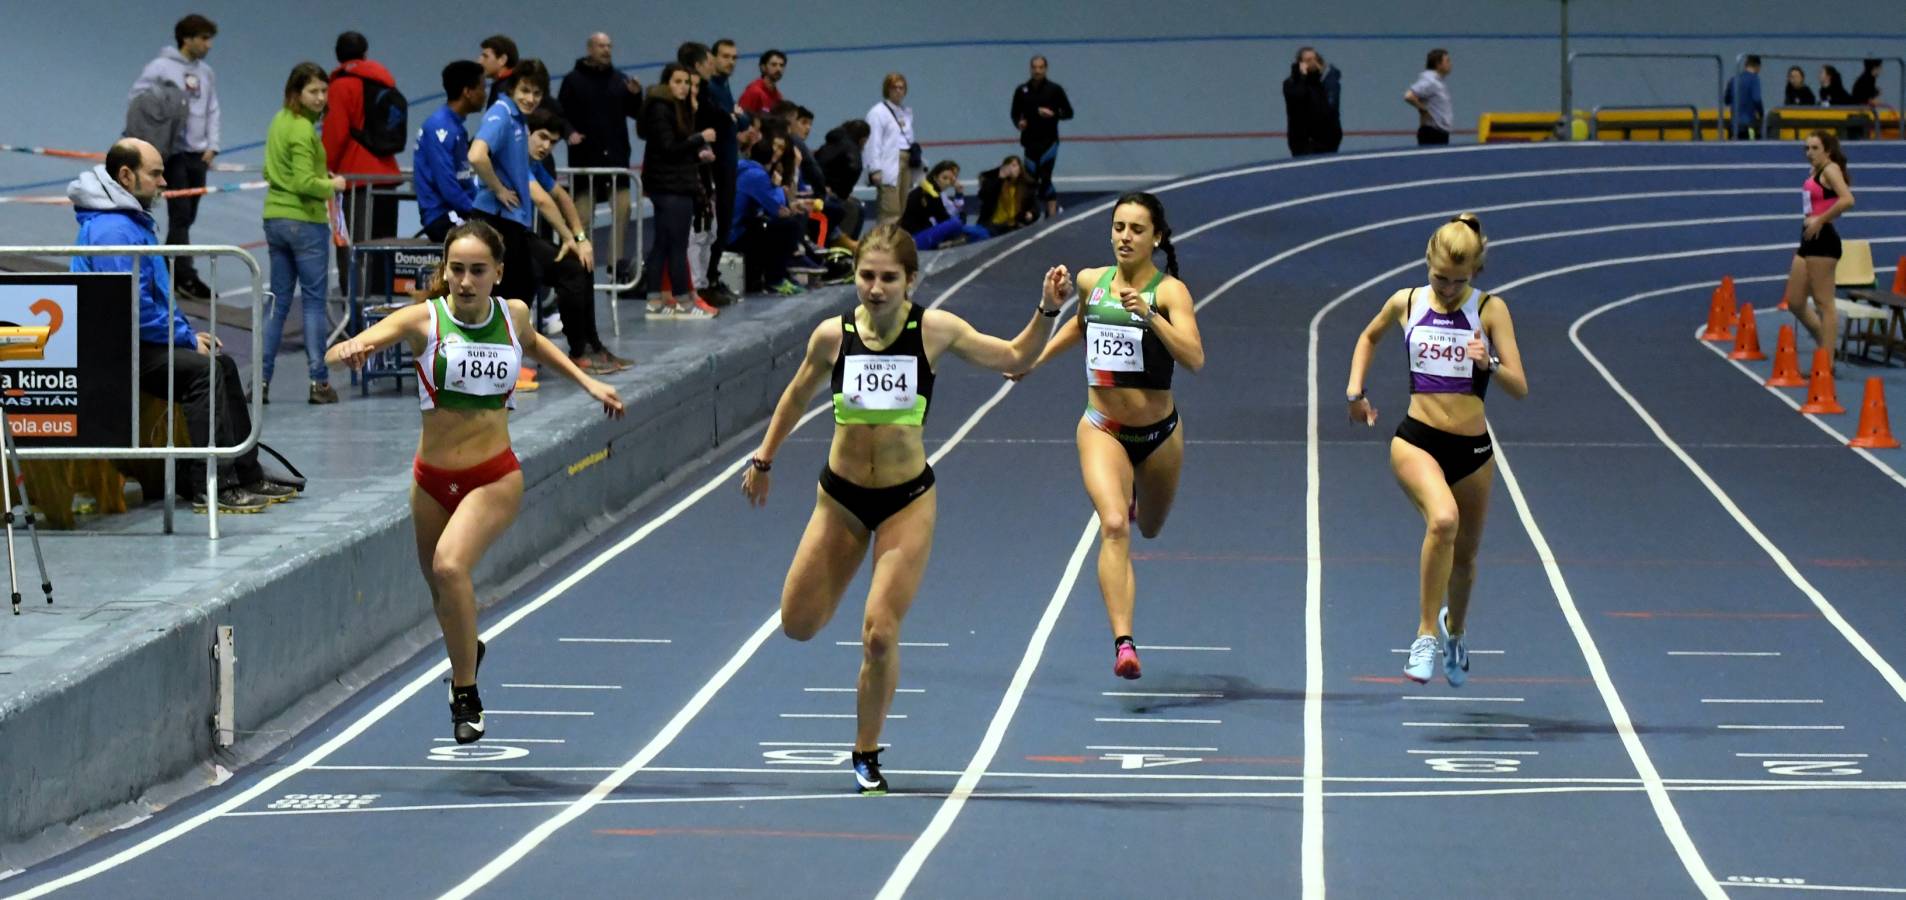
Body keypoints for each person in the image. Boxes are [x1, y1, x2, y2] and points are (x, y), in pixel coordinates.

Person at [741, 223, 1062, 793]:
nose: (876, 287)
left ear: (911, 281)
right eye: (867, 275)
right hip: (840, 498)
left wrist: (1046, 309)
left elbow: (1014, 354)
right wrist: (764, 459)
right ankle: (843, 596)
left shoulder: (934, 331)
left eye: (889, 278)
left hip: (906, 500)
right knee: (797, 623)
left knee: (879, 634)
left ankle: (866, 749)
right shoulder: (831, 336)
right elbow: (795, 395)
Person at [327, 221, 623, 743]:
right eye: (456, 269)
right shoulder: (424, 320)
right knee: (442, 593)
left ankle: (465, 693)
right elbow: (346, 348)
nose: (464, 280)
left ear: (498, 274)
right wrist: (352, 351)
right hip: (431, 481)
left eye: (477, 271)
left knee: (449, 565)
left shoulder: (515, 314)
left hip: (493, 476)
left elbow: (535, 346)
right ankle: (469, 649)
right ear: (445, 271)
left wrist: (586, 380)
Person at [1011, 194, 1206, 680]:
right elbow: (1081, 325)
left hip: (1160, 433)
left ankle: (1137, 491)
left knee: (1151, 527)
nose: (1125, 236)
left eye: (1137, 229)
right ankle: (1124, 642)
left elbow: (1195, 358)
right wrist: (1032, 361)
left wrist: (1150, 316)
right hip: (1102, 428)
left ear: (1156, 238)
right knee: (1114, 524)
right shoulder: (1091, 282)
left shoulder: (1170, 293)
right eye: (1118, 227)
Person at [1344, 214, 1528, 686]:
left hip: (1473, 450)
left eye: (1458, 282)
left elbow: (1520, 387)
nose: (1447, 290)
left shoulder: (1490, 310)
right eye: (1440, 278)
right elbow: (1368, 336)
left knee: (1464, 560)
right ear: (1427, 263)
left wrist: (1492, 362)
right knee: (1442, 520)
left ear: (1475, 275)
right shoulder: (1406, 301)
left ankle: (1454, 629)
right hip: (1416, 440)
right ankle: (1424, 634)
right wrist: (1355, 393)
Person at [70, 139, 297, 514]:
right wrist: (184, 339)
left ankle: (245, 471)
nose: (163, 183)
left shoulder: (130, 222)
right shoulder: (114, 231)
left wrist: (188, 335)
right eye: (155, 173)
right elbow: (132, 308)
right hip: (114, 353)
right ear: (126, 176)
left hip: (135, 343)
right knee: (203, 374)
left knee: (220, 364)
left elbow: (156, 296)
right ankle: (211, 483)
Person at [262, 62, 349, 406]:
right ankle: (319, 383)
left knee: (278, 303)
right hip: (305, 223)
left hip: (275, 219)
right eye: (313, 91)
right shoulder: (302, 130)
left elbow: (272, 170)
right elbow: (303, 183)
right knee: (313, 304)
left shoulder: (278, 121)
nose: (320, 97)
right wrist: (332, 184)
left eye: (324, 91)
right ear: (296, 92)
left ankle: (261, 382)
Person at [522, 108, 625, 372]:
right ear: (527, 133)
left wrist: (581, 240)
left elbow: (560, 196)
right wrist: (569, 238)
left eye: (553, 142)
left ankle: (592, 345)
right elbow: (542, 201)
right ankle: (579, 351)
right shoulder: (514, 160)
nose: (546, 146)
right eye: (542, 137)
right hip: (501, 239)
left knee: (582, 262)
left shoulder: (535, 164)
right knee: (570, 270)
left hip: (521, 235)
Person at [129, 14, 219, 301]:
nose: (209, 45)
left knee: (187, 218)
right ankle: (184, 275)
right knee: (179, 215)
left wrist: (212, 145)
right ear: (187, 39)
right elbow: (139, 101)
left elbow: (212, 108)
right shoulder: (160, 67)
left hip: (198, 155)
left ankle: (167, 272)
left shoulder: (206, 73)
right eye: (204, 38)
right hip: (174, 154)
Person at [557, 32, 643, 285]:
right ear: (590, 48)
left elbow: (636, 113)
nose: (607, 50)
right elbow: (560, 114)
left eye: (609, 46)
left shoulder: (620, 80)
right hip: (585, 161)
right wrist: (569, 133)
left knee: (623, 209)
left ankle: (615, 265)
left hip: (616, 161)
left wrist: (636, 95)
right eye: (602, 46)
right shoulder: (573, 81)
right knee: (582, 216)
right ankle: (584, 264)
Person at [326, 31, 404, 307]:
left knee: (353, 247)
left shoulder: (340, 87)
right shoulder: (383, 81)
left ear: (338, 55)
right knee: (383, 246)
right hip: (386, 175)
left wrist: (326, 170)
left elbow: (335, 134)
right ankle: (384, 307)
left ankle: (356, 312)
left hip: (355, 179)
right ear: (365, 53)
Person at [639, 63, 720, 317]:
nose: (684, 87)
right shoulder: (662, 109)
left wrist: (697, 153)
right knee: (675, 244)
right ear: (666, 83)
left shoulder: (671, 109)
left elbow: (674, 149)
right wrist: (700, 138)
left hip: (670, 183)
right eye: (678, 81)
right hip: (671, 186)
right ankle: (683, 301)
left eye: (687, 82)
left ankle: (655, 300)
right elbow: (669, 148)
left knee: (664, 243)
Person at [1785, 131, 1856, 367]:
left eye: (1815, 148)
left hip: (1823, 240)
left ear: (1828, 150)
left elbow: (1847, 199)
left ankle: (1826, 363)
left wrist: (1820, 220)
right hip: (1808, 240)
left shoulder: (1830, 170)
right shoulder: (1814, 171)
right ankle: (1825, 343)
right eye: (1807, 148)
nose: (1809, 153)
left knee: (1824, 303)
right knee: (1795, 301)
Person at [415, 61, 487, 242]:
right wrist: (476, 210)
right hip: (441, 216)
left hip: (457, 211)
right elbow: (447, 184)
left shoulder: (457, 128)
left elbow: (463, 179)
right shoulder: (439, 127)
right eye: (482, 88)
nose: (484, 94)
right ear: (468, 92)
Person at [732, 131, 807, 296]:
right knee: (788, 225)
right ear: (773, 157)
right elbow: (780, 209)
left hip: (737, 229)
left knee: (774, 224)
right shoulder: (757, 176)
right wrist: (778, 186)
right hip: (736, 234)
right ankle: (776, 279)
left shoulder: (747, 169)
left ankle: (785, 272)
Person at [1011, 55, 1074, 219]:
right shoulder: (1021, 91)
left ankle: (1052, 215)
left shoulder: (1055, 90)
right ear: (1030, 69)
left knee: (1045, 178)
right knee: (1031, 180)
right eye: (1034, 67)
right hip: (1029, 142)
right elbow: (1015, 113)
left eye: (1040, 67)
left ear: (1046, 69)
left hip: (1049, 142)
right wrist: (1019, 123)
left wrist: (1053, 114)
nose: (1037, 71)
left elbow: (1068, 113)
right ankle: (1032, 214)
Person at [704, 39, 743, 303]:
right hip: (715, 166)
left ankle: (712, 277)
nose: (730, 61)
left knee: (724, 225)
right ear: (713, 57)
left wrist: (736, 117)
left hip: (728, 164)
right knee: (711, 228)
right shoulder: (710, 88)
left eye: (734, 57)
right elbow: (727, 119)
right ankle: (705, 280)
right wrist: (733, 116)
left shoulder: (724, 86)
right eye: (725, 56)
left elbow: (741, 120)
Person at [900, 161, 991, 250]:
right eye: (944, 178)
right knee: (957, 223)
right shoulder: (930, 193)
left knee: (981, 231)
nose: (948, 182)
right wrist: (961, 219)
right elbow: (945, 219)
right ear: (935, 177)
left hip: (923, 233)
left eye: (951, 179)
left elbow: (953, 212)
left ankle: (948, 243)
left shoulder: (935, 192)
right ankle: (947, 243)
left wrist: (959, 194)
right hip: (914, 239)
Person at [866, 73, 918, 226]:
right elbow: (873, 142)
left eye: (901, 88)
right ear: (887, 89)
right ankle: (885, 245)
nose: (898, 91)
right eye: (894, 87)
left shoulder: (905, 113)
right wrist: (874, 169)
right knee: (890, 210)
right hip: (889, 164)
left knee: (903, 209)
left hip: (906, 162)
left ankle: (897, 244)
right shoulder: (877, 112)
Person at [816, 119, 871, 250]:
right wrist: (842, 194)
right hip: (825, 192)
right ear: (863, 140)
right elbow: (854, 169)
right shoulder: (852, 149)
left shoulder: (832, 142)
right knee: (854, 208)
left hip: (821, 187)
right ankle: (843, 246)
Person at [1283, 47, 1343, 156]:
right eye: (1308, 60)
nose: (1312, 62)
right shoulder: (1290, 84)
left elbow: (1332, 107)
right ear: (1301, 64)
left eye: (1314, 59)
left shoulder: (1326, 82)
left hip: (1328, 141)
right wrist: (1301, 76)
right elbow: (1298, 95)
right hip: (1304, 143)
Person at [977, 155, 1038, 236]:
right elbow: (983, 195)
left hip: (1015, 226)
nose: (1011, 169)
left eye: (1014, 165)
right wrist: (1000, 178)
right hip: (993, 225)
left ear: (1020, 169)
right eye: (1008, 166)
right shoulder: (996, 182)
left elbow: (1035, 207)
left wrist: (1031, 213)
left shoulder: (1026, 186)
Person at [1405, 49, 1454, 146]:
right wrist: (1423, 109)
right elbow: (1409, 96)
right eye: (1447, 61)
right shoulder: (1431, 81)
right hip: (1432, 134)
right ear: (1438, 64)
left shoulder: (1438, 82)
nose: (1450, 64)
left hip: (1440, 133)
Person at [1725, 55, 1764, 140]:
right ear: (1757, 66)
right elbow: (1756, 99)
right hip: (1749, 126)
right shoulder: (1754, 79)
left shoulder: (1733, 79)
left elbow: (1727, 100)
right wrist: (1761, 113)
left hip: (1734, 126)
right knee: (1752, 149)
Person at [739, 49, 787, 118]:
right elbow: (740, 118)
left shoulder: (778, 97)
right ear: (763, 67)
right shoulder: (754, 91)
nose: (778, 69)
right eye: (774, 65)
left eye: (781, 65)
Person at [478, 35, 519, 106]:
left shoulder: (508, 90)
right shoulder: (502, 86)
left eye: (485, 56)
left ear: (502, 60)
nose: (479, 61)